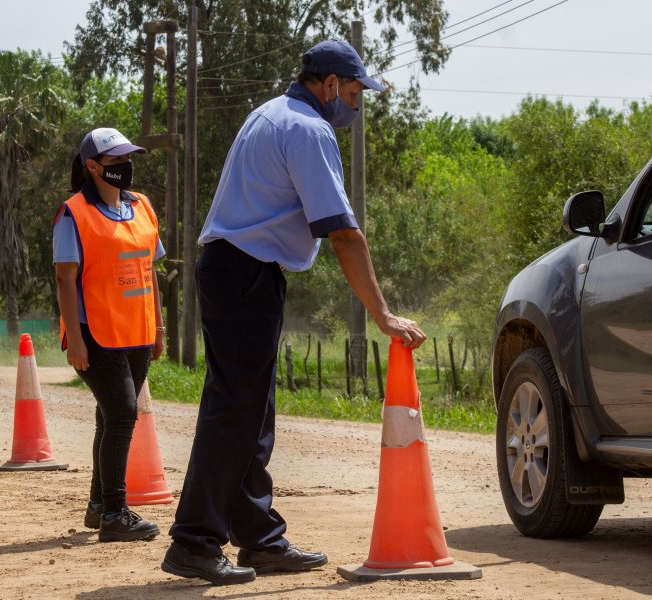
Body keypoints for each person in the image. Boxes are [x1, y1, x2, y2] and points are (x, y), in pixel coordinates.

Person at [161, 39, 426, 585]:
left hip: (237, 269)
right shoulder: (308, 129)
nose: (355, 105)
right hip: (244, 272)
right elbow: (344, 233)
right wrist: (383, 315)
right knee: (234, 410)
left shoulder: (268, 114)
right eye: (353, 94)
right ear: (329, 85)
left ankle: (259, 538)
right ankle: (193, 541)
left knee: (252, 412)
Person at [53, 127, 166, 542]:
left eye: (127, 159)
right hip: (95, 334)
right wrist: (75, 340)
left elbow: (150, 271)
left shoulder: (142, 208)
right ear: (93, 166)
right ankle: (116, 514)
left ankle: (99, 506)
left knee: (110, 416)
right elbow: (66, 279)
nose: (125, 166)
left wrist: (158, 326)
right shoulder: (73, 213)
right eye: (116, 161)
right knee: (121, 416)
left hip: (135, 331)